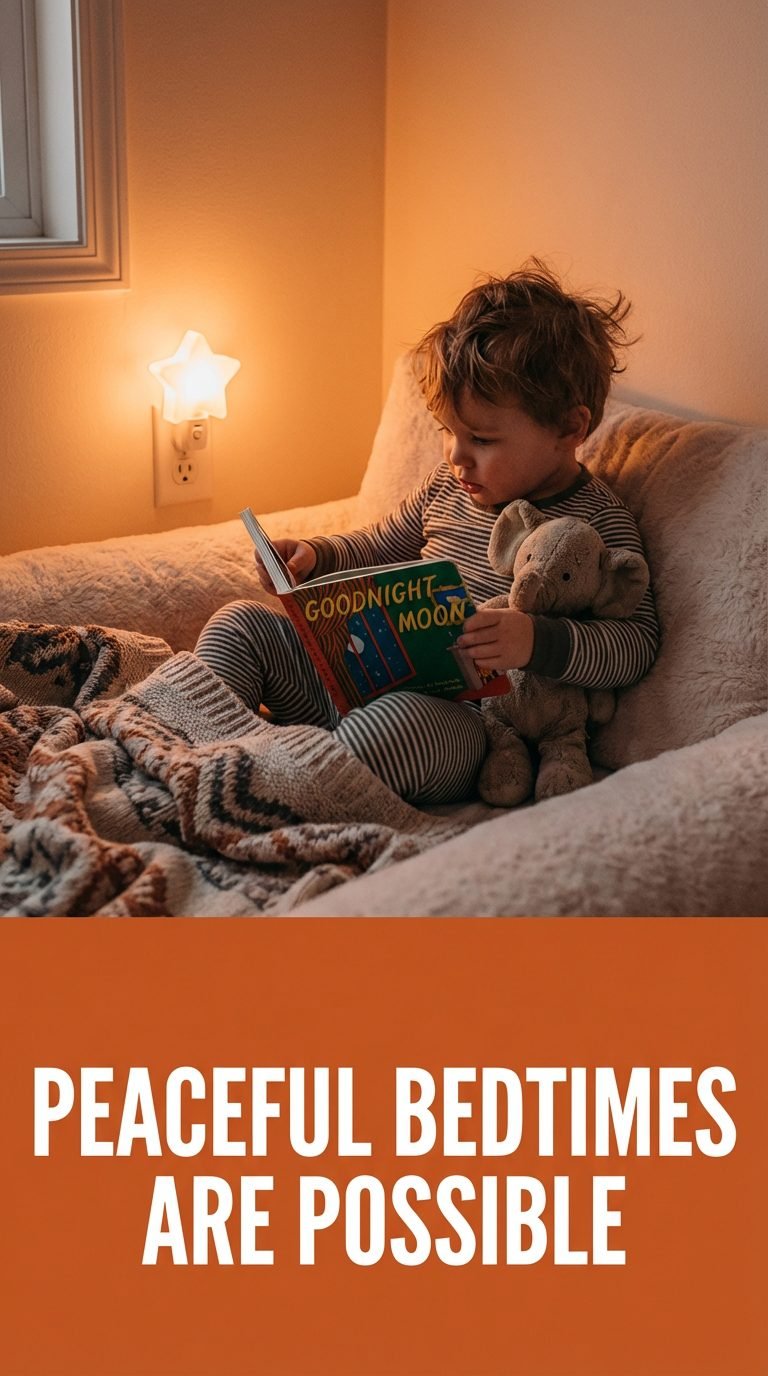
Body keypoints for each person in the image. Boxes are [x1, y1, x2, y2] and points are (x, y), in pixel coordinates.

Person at [195, 260, 659, 803]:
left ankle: (274, 783)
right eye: (447, 432)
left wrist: (537, 642)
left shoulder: (598, 522)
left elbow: (637, 644)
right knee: (239, 625)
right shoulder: (448, 484)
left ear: (570, 429)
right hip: (354, 673)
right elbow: (377, 543)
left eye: (482, 440)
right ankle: (199, 757)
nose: (455, 457)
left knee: (390, 729)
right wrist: (315, 556)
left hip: (461, 722)